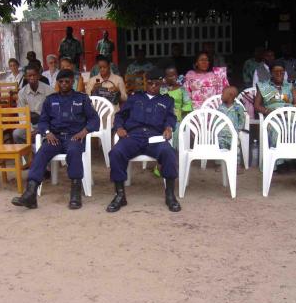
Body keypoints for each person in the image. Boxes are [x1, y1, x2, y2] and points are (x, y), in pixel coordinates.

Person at [11, 69, 100, 210]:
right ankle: (30, 194)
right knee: (41, 153)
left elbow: (95, 119)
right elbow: (43, 121)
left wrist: (84, 131)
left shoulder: (81, 99)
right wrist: (47, 132)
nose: (64, 84)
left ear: (72, 82)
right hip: (55, 138)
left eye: (67, 81)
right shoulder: (50, 100)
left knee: (74, 152)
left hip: (74, 137)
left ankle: (75, 193)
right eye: (61, 81)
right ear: (58, 83)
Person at [106, 67, 181, 213]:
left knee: (169, 152)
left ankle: (170, 195)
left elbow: (171, 118)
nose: (153, 87)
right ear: (146, 83)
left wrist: (168, 128)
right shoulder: (135, 98)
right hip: (133, 136)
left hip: (155, 137)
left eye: (157, 84)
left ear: (161, 84)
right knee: (116, 152)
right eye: (151, 83)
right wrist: (119, 128)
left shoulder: (167, 101)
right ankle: (120, 195)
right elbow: (120, 115)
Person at [14, 65, 54, 144]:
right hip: (29, 124)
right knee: (17, 134)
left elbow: (53, 113)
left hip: (46, 123)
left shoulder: (49, 90)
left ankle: (40, 152)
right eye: (29, 76)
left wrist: (40, 129)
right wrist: (31, 130)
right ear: (25, 77)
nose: (32, 78)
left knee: (46, 135)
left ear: (39, 76)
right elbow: (22, 115)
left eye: (34, 75)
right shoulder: (22, 93)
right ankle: (30, 154)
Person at [160, 66, 193, 148]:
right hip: (163, 117)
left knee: (178, 130)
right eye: (169, 76)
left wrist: (180, 112)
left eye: (174, 75)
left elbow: (188, 104)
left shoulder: (182, 89)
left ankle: (175, 151)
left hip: (178, 118)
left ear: (177, 76)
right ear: (165, 78)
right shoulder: (162, 89)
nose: (172, 78)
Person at [216, 86, 245, 169]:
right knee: (220, 148)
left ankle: (236, 165)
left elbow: (242, 118)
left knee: (236, 150)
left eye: (223, 94)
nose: (221, 96)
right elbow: (216, 118)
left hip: (233, 133)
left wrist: (239, 128)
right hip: (221, 133)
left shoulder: (238, 107)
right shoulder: (220, 108)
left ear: (231, 95)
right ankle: (222, 165)